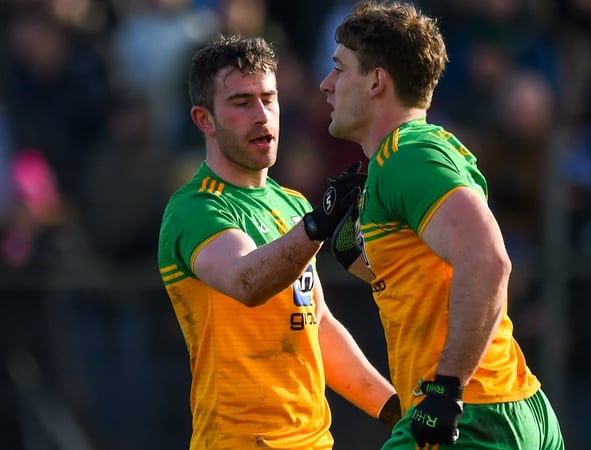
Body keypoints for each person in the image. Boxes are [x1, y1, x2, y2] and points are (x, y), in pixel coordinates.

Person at [319, 1, 565, 449]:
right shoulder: (409, 155)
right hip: (496, 406)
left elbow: (489, 261)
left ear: (376, 81)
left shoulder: (408, 157)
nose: (326, 84)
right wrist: (355, 255)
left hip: (471, 414)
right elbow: (431, 275)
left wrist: (446, 389)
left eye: (339, 69)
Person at [157, 34, 400, 449]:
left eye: (268, 99)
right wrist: (316, 226)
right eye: (241, 102)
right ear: (204, 119)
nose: (261, 115)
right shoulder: (194, 209)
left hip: (313, 440)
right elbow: (246, 281)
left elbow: (317, 325)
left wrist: (394, 411)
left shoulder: (291, 203)